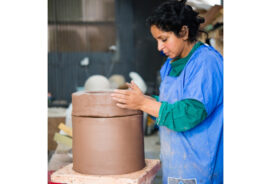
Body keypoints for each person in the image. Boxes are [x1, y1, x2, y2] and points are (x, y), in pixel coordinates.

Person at [111, 0, 223, 183]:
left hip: (202, 170)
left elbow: (189, 114)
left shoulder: (206, 63)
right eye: (157, 40)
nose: (159, 47)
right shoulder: (170, 66)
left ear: (184, 32)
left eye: (164, 39)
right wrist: (144, 100)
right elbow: (168, 107)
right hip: (175, 165)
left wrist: (144, 103)